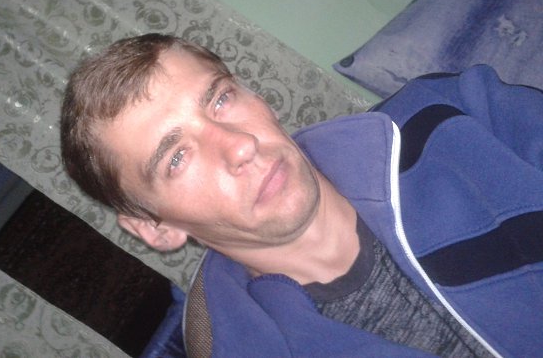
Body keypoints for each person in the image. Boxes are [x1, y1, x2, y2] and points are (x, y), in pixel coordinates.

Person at [61, 33, 543, 358]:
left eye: (221, 99)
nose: (240, 145)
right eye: (177, 158)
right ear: (156, 228)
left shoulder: (452, 111)